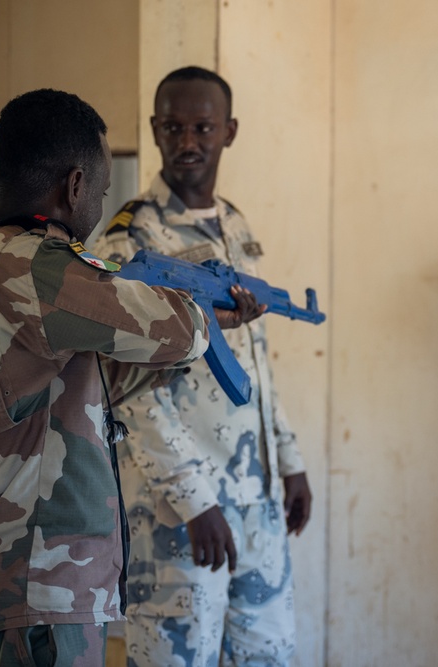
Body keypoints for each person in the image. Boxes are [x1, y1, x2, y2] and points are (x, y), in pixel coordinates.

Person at [0, 88, 261, 667]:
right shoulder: (32, 267)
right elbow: (178, 333)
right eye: (98, 190)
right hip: (31, 598)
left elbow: (68, 393)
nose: (98, 204)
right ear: (74, 186)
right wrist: (203, 308)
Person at [93, 66, 312, 667]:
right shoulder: (131, 235)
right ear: (155, 131)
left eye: (203, 127)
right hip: (179, 509)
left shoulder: (235, 222)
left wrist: (289, 461)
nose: (188, 141)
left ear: (229, 132)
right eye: (173, 127)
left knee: (267, 656)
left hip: (256, 496)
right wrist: (193, 499)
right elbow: (126, 384)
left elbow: (254, 361)